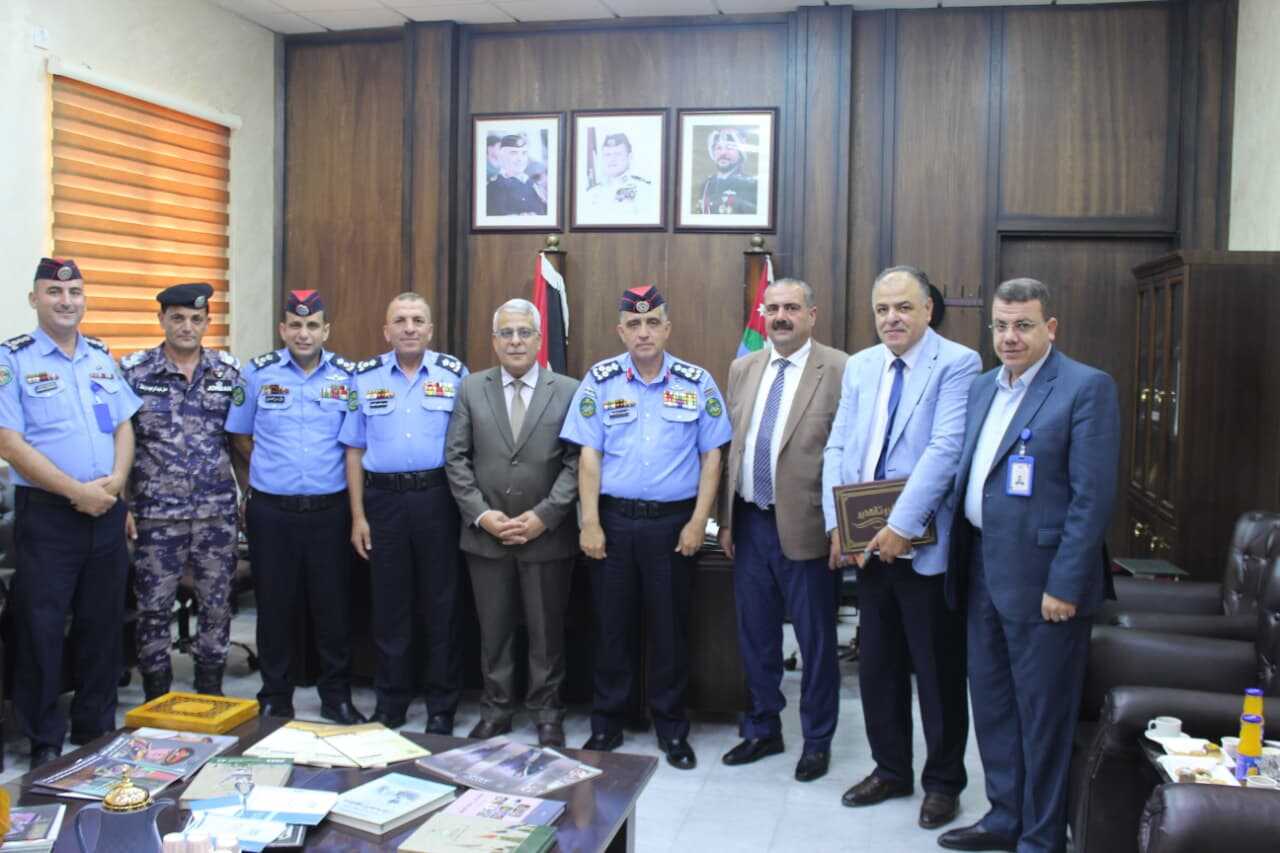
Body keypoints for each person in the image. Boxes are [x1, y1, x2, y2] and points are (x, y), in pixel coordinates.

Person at [938, 278, 1119, 853]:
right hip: (980, 569)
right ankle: (1004, 818)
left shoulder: (1086, 387)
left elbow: (1092, 500)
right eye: (1000, 325)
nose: (1009, 337)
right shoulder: (983, 387)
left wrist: (1066, 583)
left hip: (1046, 584)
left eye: (1023, 325)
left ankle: (1041, 839)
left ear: (1050, 328)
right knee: (992, 705)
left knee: (1043, 717)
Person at [822, 266, 979, 829]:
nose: (892, 318)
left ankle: (943, 782)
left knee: (936, 672)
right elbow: (838, 445)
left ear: (928, 310)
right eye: (883, 309)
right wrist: (836, 524)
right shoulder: (861, 365)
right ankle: (890, 769)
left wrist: (902, 526)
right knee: (878, 666)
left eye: (905, 307)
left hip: (923, 548)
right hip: (865, 546)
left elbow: (945, 449)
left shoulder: (958, 363)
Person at [560, 285, 731, 770]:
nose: (644, 332)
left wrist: (698, 522)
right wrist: (589, 522)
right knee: (610, 627)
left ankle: (672, 728)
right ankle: (607, 723)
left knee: (671, 630)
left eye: (653, 322)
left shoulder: (697, 382)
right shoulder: (600, 381)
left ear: (667, 328)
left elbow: (712, 456)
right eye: (634, 324)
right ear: (621, 331)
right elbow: (588, 456)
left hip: (673, 525)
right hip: (614, 522)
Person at [0, 258, 141, 769]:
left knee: (103, 623)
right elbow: (9, 443)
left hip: (106, 509)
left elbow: (123, 425)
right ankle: (43, 736)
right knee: (40, 626)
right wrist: (75, 492)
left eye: (75, 292)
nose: (66, 301)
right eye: (54, 292)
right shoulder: (12, 360)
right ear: (34, 299)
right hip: (49, 514)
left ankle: (95, 724)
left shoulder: (100, 357)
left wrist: (117, 481)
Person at [716, 277, 848, 783]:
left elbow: (848, 451)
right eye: (772, 309)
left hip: (809, 526)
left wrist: (840, 527)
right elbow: (734, 449)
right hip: (750, 522)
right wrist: (727, 521)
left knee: (816, 642)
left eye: (791, 308)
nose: (780, 317)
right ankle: (763, 727)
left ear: (812, 315)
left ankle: (817, 740)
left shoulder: (840, 368)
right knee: (756, 635)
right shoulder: (744, 367)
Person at [444, 298, 580, 748]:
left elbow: (578, 462)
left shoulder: (568, 390)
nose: (516, 341)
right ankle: (496, 709)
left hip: (547, 536)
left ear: (539, 340)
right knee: (494, 631)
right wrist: (483, 515)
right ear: (494, 341)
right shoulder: (471, 388)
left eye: (524, 333)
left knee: (546, 633)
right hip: (488, 536)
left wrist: (544, 516)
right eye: (507, 333)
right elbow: (456, 458)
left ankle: (547, 712)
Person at [225, 290, 365, 724]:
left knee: (333, 607)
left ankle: (336, 696)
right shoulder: (256, 373)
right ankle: (275, 694)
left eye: (312, 325)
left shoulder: (348, 376)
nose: (304, 333)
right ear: (283, 329)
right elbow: (238, 435)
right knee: (273, 605)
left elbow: (355, 443)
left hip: (330, 510)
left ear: (326, 330)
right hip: (272, 511)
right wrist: (261, 477)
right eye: (296, 325)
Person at [340, 292, 467, 734]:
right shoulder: (364, 378)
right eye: (400, 320)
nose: (409, 328)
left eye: (417, 320)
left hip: (438, 498)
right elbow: (354, 450)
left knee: (442, 605)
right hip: (384, 502)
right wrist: (358, 516)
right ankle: (391, 701)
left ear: (430, 330)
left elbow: (469, 444)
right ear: (386, 330)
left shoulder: (455, 375)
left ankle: (441, 706)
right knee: (390, 605)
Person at [121, 282, 244, 699]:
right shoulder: (135, 373)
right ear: (161, 320)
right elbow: (120, 443)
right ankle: (157, 693)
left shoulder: (228, 373)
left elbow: (238, 442)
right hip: (156, 515)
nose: (186, 326)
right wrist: (122, 506)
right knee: (153, 607)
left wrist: (247, 497)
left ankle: (210, 689)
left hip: (215, 513)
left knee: (216, 604)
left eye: (195, 318)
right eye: (177, 318)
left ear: (207, 322)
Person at [582, 133, 654, 220]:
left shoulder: (644, 190)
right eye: (607, 155)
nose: (612, 159)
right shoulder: (592, 193)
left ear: (630, 157)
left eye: (618, 154)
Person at [698, 127, 758, 215]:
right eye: (719, 148)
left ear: (740, 154)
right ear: (713, 153)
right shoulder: (706, 184)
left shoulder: (751, 185)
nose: (723, 153)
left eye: (729, 148)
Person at [486, 134, 547, 216]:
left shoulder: (532, 183)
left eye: (524, 153)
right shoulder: (494, 186)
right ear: (502, 156)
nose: (520, 159)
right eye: (514, 153)